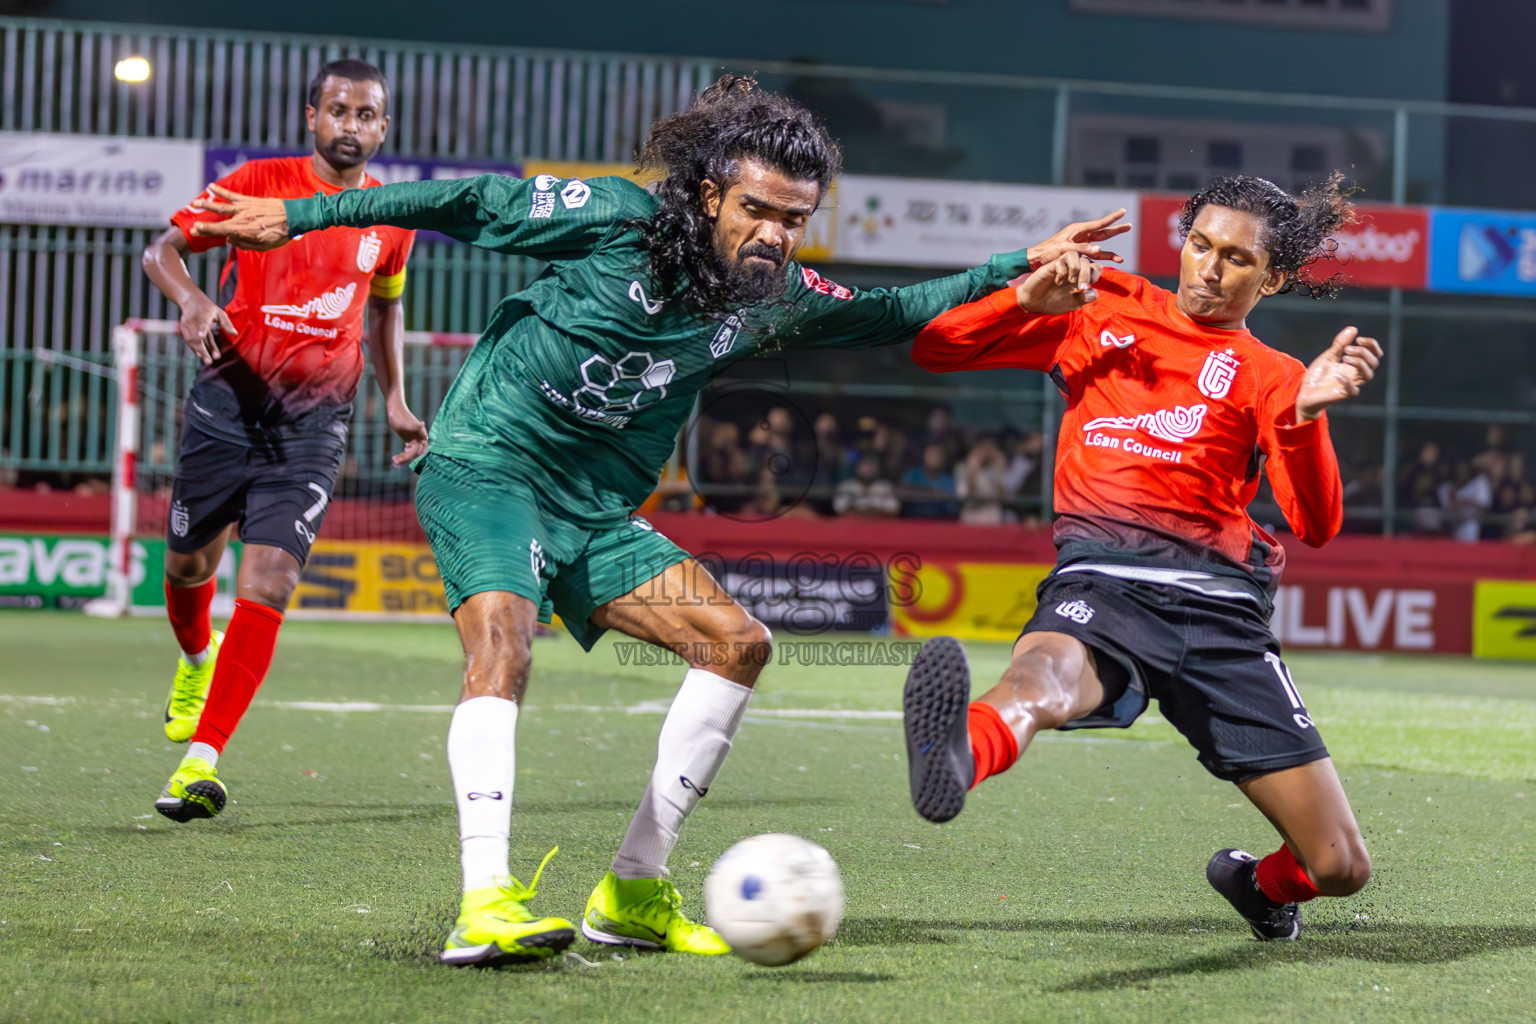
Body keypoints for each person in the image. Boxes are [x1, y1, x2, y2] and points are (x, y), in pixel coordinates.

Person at [190, 74, 1131, 967]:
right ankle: (485, 901)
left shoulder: (774, 298)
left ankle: (632, 891)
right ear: (712, 194)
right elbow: (469, 202)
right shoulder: (617, 219)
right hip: (489, 463)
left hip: (595, 510)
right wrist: (301, 215)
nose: (774, 234)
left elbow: (895, 310)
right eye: (757, 209)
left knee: (738, 643)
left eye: (794, 219)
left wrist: (1017, 267)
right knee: (505, 645)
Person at [901, 173, 1383, 943]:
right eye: (1200, 245)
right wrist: (1021, 301)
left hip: (1220, 613)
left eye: (1235, 258)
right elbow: (935, 349)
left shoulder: (1277, 375)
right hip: (1105, 578)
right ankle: (957, 754)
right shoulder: (1101, 304)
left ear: (1272, 278)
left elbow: (1316, 525)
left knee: (1340, 866)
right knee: (1040, 679)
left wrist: (1303, 418)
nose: (1209, 269)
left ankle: (1258, 887)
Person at [140, 59, 426, 823]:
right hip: (225, 409)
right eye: (338, 110)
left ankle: (200, 761)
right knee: (188, 567)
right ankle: (195, 658)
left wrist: (396, 399)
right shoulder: (257, 184)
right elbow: (160, 251)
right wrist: (191, 300)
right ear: (311, 117)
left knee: (268, 581)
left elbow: (385, 309)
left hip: (312, 427)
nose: (351, 125)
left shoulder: (391, 216)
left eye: (366, 114)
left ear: (383, 127)